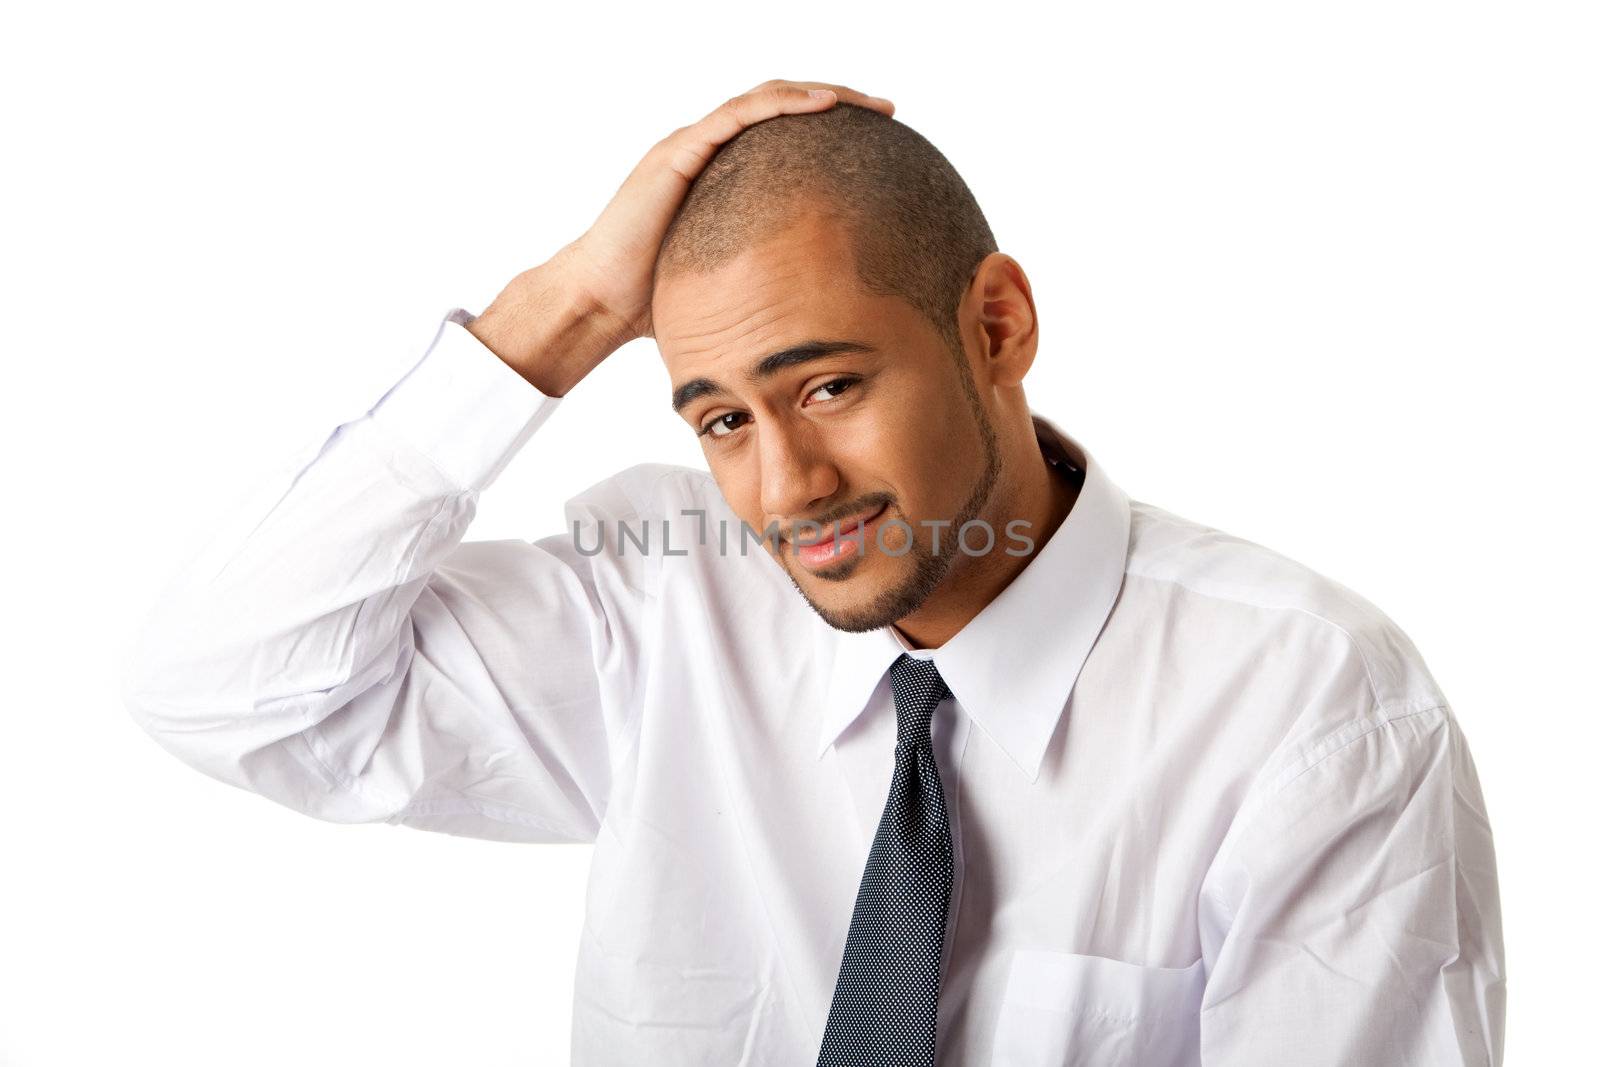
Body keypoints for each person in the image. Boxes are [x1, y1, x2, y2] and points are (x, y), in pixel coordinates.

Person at [120, 80, 1506, 1066]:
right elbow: (220, 684)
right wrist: (566, 312)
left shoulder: (1309, 709)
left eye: (830, 384)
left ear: (1000, 324)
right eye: (722, 418)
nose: (785, 490)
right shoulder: (659, 616)